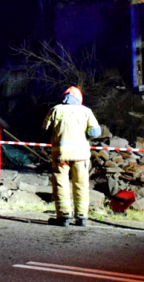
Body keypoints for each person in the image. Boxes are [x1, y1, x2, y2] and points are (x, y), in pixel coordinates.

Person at [42, 86, 101, 227]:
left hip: (61, 155)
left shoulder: (55, 110)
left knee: (61, 184)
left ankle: (63, 217)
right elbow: (95, 133)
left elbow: (45, 131)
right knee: (81, 184)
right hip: (80, 156)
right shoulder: (86, 111)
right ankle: (82, 217)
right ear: (79, 99)